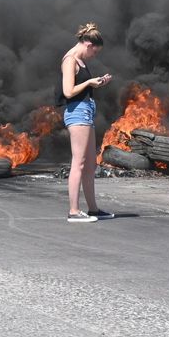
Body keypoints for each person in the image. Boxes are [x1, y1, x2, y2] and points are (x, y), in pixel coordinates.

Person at [59, 22, 115, 223]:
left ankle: (93, 209)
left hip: (86, 110)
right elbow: (68, 92)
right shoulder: (70, 60)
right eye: (95, 52)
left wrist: (97, 83)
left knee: (90, 164)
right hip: (77, 112)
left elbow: (80, 88)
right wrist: (89, 82)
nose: (94, 56)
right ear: (88, 44)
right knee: (79, 162)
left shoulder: (81, 61)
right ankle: (74, 211)